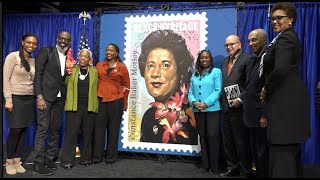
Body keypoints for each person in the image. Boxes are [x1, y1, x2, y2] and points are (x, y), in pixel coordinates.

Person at [259, 2, 310, 178]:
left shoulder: (286, 37)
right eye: (272, 18)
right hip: (287, 102)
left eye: (279, 18)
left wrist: (266, 87)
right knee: (288, 153)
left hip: (285, 102)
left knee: (282, 154)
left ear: (291, 20)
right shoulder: (283, 37)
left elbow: (280, 68)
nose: (274, 21)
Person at [138, 29, 198, 145]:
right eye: (150, 65)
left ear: (180, 71)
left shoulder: (188, 115)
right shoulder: (149, 116)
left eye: (165, 65)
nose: (155, 73)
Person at [33, 31, 72, 175]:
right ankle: (38, 162)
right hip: (46, 97)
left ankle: (50, 158)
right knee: (42, 129)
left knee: (55, 130)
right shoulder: (46, 51)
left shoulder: (68, 57)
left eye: (66, 39)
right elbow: (38, 75)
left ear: (69, 42)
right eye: (61, 38)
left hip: (60, 99)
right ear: (57, 39)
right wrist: (39, 97)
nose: (63, 41)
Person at [3, 33, 38, 175]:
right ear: (22, 42)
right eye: (29, 42)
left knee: (23, 130)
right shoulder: (13, 57)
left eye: (34, 43)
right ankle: (9, 160)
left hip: (29, 99)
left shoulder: (33, 61)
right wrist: (8, 99)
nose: (31, 45)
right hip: (15, 98)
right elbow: (5, 79)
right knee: (15, 130)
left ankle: (18, 160)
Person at [219, 35, 253, 178]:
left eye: (232, 44)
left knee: (241, 141)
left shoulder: (248, 59)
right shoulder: (224, 61)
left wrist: (241, 98)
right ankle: (231, 167)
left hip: (240, 108)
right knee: (228, 141)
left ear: (239, 44)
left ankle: (245, 170)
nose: (229, 47)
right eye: (226, 45)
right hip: (226, 108)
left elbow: (251, 83)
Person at [60, 48, 99, 169]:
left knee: (87, 133)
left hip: (89, 106)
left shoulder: (94, 71)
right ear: (78, 57)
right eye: (81, 56)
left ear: (90, 59)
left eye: (86, 56)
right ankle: (67, 160)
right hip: (73, 106)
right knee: (71, 133)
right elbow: (64, 83)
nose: (83, 58)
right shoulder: (71, 69)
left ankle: (86, 158)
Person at [92, 43, 130, 165]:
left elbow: (127, 86)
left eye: (111, 50)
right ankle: (97, 157)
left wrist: (125, 102)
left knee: (113, 130)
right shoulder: (98, 65)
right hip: (101, 100)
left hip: (116, 101)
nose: (108, 52)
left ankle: (111, 157)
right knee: (99, 130)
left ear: (116, 53)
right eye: (107, 50)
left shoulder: (122, 67)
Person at [188, 50, 222, 175]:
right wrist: (193, 102)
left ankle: (214, 167)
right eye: (202, 58)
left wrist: (206, 103)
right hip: (198, 110)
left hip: (212, 110)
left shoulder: (216, 72)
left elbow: (218, 90)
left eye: (207, 57)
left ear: (210, 59)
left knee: (212, 136)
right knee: (202, 136)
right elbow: (190, 92)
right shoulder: (195, 74)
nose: (204, 60)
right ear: (199, 60)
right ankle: (205, 164)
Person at [240, 29, 269, 178]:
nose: (251, 44)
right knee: (254, 150)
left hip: (261, 116)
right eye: (249, 41)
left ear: (264, 40)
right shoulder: (252, 60)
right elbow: (250, 87)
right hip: (250, 115)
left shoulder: (268, 58)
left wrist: (265, 115)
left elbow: (268, 89)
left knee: (262, 151)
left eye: (254, 40)